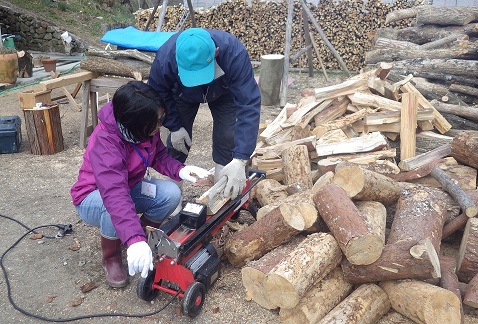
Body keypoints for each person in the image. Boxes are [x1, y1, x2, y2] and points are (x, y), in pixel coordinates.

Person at [70, 81, 210, 288]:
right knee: (112, 208)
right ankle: (112, 257)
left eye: (161, 119)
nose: (159, 125)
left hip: (129, 187)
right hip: (93, 195)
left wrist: (180, 169)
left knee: (170, 193)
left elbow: (159, 156)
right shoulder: (106, 141)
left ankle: (142, 238)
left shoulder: (144, 129)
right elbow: (115, 194)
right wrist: (134, 239)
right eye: (157, 121)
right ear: (134, 122)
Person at [148, 27, 261, 200]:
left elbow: (248, 104)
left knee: (227, 137)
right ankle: (173, 198)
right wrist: (174, 125)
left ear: (216, 52)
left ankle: (224, 194)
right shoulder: (166, 58)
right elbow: (157, 94)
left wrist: (241, 158)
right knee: (178, 144)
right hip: (182, 93)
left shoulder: (233, 53)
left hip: (224, 91)